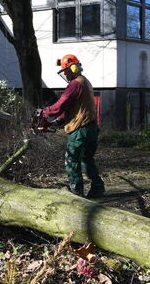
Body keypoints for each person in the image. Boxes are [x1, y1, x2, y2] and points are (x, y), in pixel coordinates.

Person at [42, 54, 105, 198]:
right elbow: (73, 109)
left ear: (73, 68)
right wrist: (57, 121)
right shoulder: (85, 82)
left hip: (80, 130)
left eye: (66, 70)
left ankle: (76, 192)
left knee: (71, 160)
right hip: (91, 127)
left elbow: (61, 104)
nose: (65, 74)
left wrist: (45, 112)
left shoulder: (75, 84)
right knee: (87, 159)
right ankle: (97, 187)